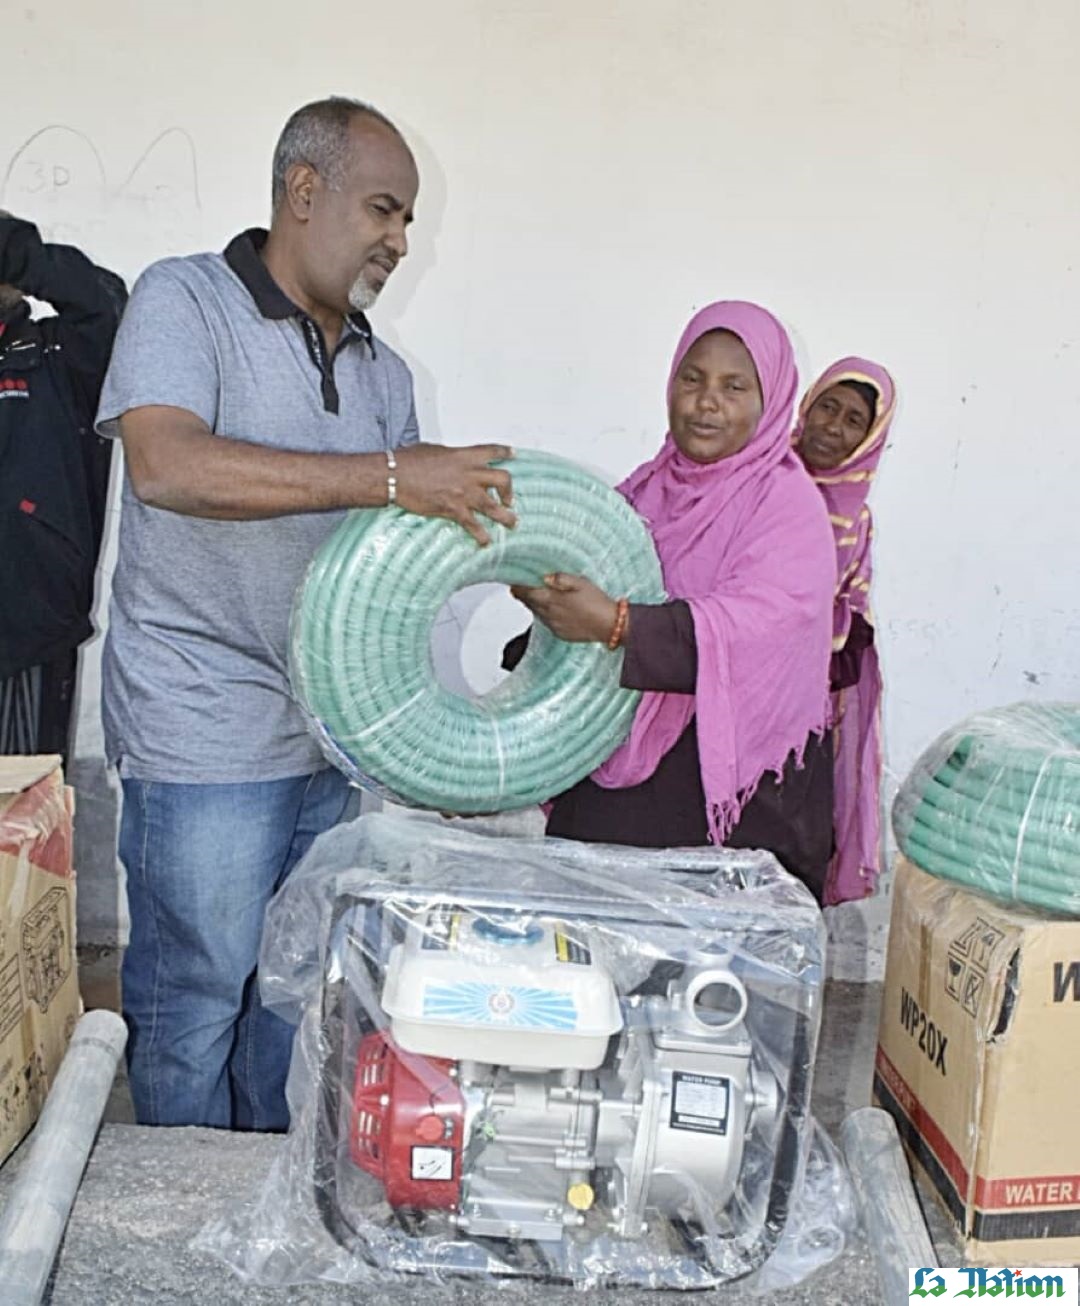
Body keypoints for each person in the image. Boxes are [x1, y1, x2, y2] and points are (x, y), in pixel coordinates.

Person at [96, 96, 515, 1131]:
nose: (399, 241)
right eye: (384, 209)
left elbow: (395, 567)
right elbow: (167, 466)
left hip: (328, 739)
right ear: (302, 191)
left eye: (409, 219)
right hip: (201, 724)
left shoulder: (383, 371)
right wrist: (385, 475)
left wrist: (442, 735)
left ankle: (251, 1214)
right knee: (197, 995)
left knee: (290, 1000)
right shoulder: (184, 299)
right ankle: (169, 1238)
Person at [510, 301, 836, 899]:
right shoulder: (644, 490)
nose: (707, 402)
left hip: (722, 799)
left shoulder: (789, 509)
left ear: (771, 402)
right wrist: (548, 606)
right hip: (612, 774)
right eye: (693, 378)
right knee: (587, 952)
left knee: (693, 976)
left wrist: (617, 623)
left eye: (735, 386)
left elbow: (763, 627)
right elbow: (587, 589)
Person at [0, 213, 126, 762]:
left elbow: (108, 306)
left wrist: (20, 253)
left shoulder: (59, 356)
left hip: (28, 644)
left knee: (20, 834)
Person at [793, 358, 896, 904]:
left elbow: (851, 597)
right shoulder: (755, 481)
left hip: (809, 696)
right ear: (804, 409)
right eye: (827, 407)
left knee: (795, 834)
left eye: (854, 420)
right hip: (732, 677)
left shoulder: (858, 519)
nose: (834, 427)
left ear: (869, 438)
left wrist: (832, 645)